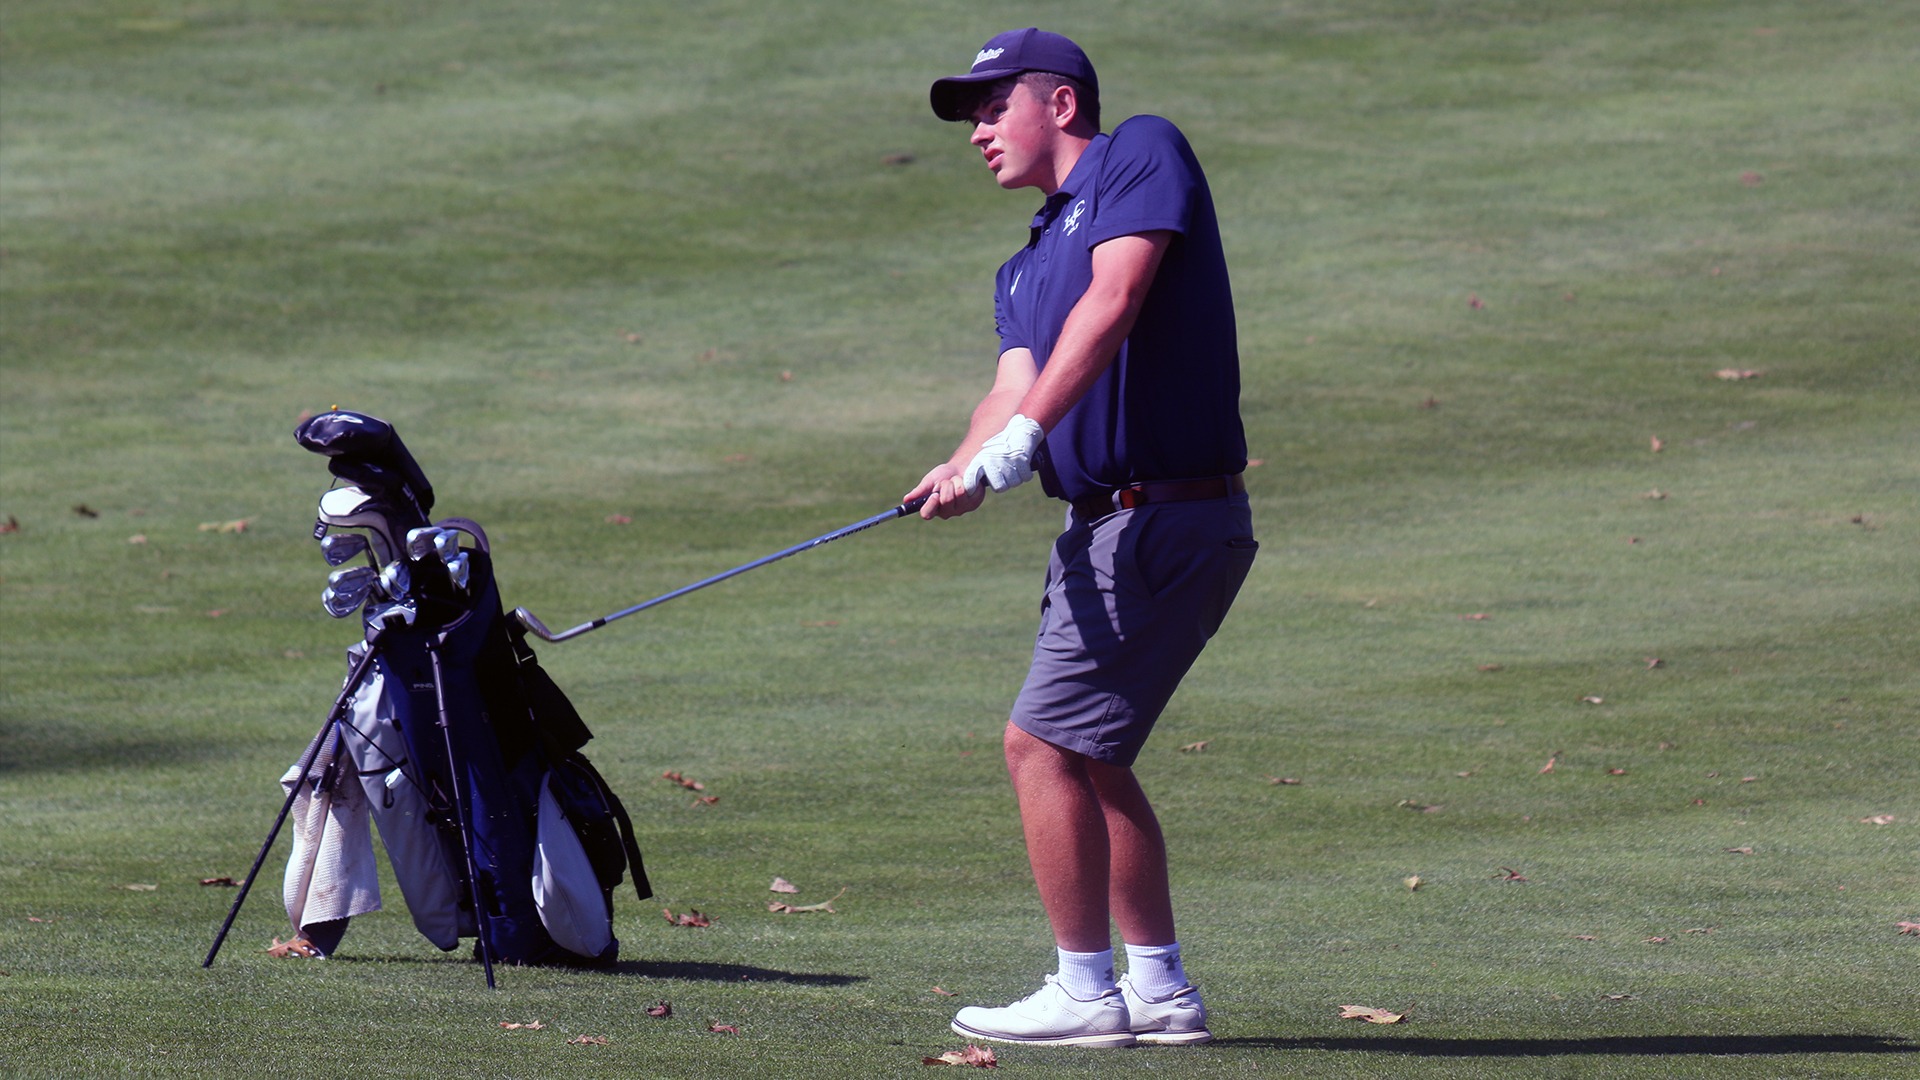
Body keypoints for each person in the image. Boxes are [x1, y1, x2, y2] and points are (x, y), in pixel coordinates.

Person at [908, 28, 1258, 1048]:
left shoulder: (1141, 154)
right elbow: (1011, 388)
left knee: (1042, 747)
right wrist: (967, 462)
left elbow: (1118, 300)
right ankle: (1159, 989)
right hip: (1102, 531)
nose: (976, 131)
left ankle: (1084, 991)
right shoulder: (1021, 269)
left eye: (990, 106)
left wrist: (1022, 439)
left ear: (1059, 104)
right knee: (1094, 757)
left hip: (1165, 513)